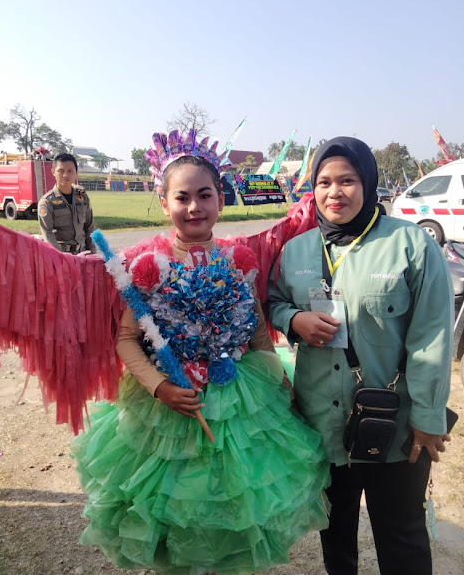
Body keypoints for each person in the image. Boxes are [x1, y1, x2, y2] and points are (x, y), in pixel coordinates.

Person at [71, 129, 330, 574]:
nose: (194, 207)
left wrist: (281, 384)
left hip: (241, 399)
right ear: (164, 202)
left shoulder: (237, 260)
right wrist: (159, 387)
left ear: (220, 201)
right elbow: (127, 339)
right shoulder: (148, 267)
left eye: (205, 195)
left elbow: (257, 333)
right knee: (179, 508)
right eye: (182, 197)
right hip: (170, 406)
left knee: (234, 501)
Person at [268, 136, 454, 575]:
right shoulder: (296, 250)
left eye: (347, 180)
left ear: (368, 183)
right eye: (324, 182)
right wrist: (294, 319)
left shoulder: (410, 245)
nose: (335, 193)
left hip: (396, 422)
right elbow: (274, 301)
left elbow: (432, 336)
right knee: (334, 535)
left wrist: (428, 417)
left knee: (402, 535)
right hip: (321, 422)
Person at [38, 153, 96, 254]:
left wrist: (92, 252)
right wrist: (61, 258)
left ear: (76, 173)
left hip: (83, 254)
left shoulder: (82, 197)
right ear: (53, 172)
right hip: (62, 255)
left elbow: (90, 228)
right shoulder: (47, 202)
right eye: (61, 171)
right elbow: (48, 234)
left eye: (70, 171)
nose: (65, 175)